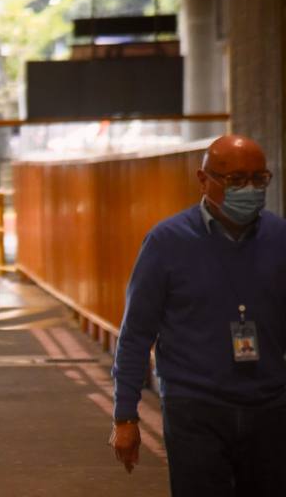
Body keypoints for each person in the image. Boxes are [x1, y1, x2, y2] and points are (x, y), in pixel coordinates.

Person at [110, 135, 286, 496]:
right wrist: (125, 415)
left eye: (259, 179)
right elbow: (136, 333)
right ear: (204, 180)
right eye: (236, 180)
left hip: (269, 406)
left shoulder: (279, 237)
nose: (250, 189)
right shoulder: (167, 242)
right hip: (195, 406)